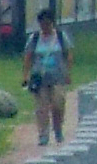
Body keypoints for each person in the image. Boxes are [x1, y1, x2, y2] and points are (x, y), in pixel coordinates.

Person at [24, 12, 73, 145]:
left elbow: (68, 55)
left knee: (58, 104)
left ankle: (58, 129)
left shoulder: (61, 37)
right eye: (42, 24)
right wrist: (26, 75)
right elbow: (28, 57)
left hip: (58, 77)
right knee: (42, 108)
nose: (45, 26)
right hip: (40, 78)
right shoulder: (34, 38)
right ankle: (43, 134)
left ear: (52, 23)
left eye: (47, 23)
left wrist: (67, 73)